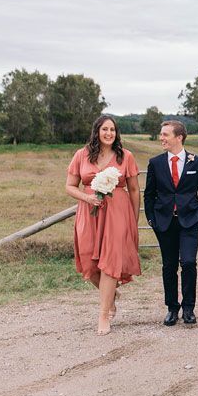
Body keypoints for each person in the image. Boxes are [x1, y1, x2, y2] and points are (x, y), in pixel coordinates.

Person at [65, 115, 141, 335]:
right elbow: (70, 186)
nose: (109, 133)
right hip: (89, 213)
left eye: (113, 130)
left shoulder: (125, 156)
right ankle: (111, 295)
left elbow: (134, 190)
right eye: (105, 129)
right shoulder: (81, 155)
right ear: (96, 131)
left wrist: (133, 221)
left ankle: (104, 315)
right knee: (88, 263)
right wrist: (86, 197)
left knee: (109, 262)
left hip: (117, 213)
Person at [143, 120, 198, 326]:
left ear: (179, 137)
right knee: (169, 265)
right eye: (161, 134)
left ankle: (189, 308)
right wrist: (151, 219)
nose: (161, 138)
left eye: (165, 134)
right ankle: (172, 308)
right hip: (164, 223)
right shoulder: (155, 163)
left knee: (189, 262)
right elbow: (149, 194)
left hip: (190, 221)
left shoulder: (197, 162)